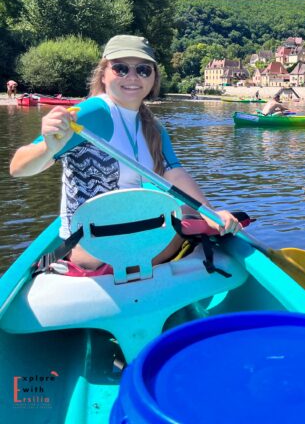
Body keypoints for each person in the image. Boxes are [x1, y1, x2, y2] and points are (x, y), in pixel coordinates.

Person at [9, 35, 242, 270]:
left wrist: (212, 213)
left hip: (130, 239)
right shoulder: (93, 112)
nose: (132, 77)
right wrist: (49, 146)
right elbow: (18, 168)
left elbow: (175, 173)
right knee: (186, 215)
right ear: (103, 74)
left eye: (143, 70)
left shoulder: (153, 126)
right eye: (120, 68)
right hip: (92, 251)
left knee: (189, 208)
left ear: (153, 78)